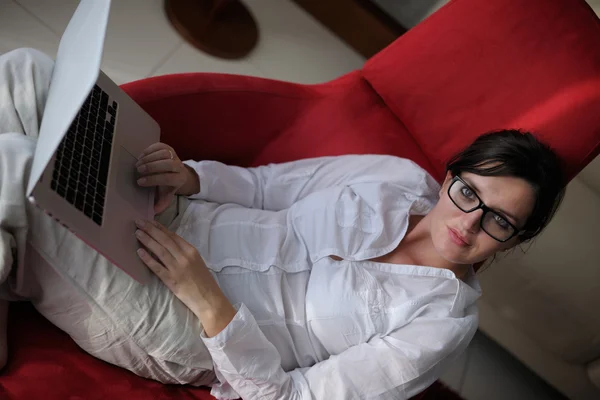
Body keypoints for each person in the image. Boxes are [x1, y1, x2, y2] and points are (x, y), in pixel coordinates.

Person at [0, 48, 566, 400]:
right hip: (174, 215)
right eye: (469, 193)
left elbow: (294, 398)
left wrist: (212, 308)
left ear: (516, 239)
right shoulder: (393, 178)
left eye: (499, 222)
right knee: (27, 74)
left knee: (17, 161)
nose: (469, 224)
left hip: (180, 324)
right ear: (450, 175)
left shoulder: (441, 323)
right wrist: (189, 178)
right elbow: (269, 187)